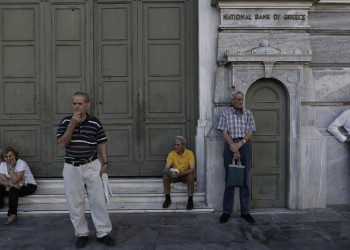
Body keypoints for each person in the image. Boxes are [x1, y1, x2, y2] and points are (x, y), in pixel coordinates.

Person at [56, 92, 115, 249]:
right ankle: (81, 233)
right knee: (75, 203)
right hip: (71, 167)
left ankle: (103, 233)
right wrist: (72, 125)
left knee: (98, 200)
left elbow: (101, 143)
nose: (77, 106)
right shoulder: (65, 121)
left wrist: (106, 162)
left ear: (87, 104)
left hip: (92, 165)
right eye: (74, 103)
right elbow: (62, 144)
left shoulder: (95, 122)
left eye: (80, 104)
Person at [216, 90, 256, 224]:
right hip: (230, 145)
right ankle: (226, 211)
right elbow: (224, 132)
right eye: (238, 99)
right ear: (232, 101)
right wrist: (233, 146)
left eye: (241, 99)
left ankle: (245, 212)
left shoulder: (249, 114)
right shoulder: (226, 114)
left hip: (244, 146)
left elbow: (250, 132)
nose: (240, 101)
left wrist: (239, 145)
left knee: (244, 179)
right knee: (230, 178)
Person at [0, 146, 37, 225]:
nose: (8, 158)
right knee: (9, 188)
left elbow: (15, 180)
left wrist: (10, 169)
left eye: (11, 156)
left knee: (13, 190)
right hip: (14, 185)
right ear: (3, 158)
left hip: (28, 185)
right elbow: (1, 181)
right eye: (6, 157)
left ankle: (12, 214)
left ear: (15, 156)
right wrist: (10, 184)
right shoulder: (2, 165)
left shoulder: (21, 163)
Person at [162, 136, 196, 210]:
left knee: (191, 176)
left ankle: (190, 200)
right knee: (165, 176)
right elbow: (166, 168)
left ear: (183, 146)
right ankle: (167, 199)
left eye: (178, 145)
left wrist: (182, 173)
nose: (175, 147)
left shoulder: (190, 153)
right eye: (175, 144)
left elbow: (193, 169)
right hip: (175, 175)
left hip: (184, 175)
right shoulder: (171, 154)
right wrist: (171, 174)